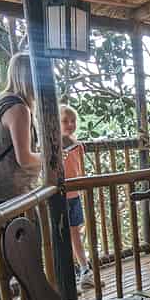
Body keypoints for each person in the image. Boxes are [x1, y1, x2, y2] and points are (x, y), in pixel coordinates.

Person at [0, 52, 42, 300]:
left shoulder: (1, 104)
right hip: (13, 193)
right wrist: (51, 158)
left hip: (1, 192)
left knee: (8, 255)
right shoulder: (18, 109)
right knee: (20, 253)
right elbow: (24, 158)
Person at [60, 106, 94, 289]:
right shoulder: (53, 146)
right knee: (63, 236)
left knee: (75, 234)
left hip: (74, 196)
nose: (70, 124)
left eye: (73, 121)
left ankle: (83, 270)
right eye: (65, 121)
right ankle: (72, 273)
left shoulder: (78, 145)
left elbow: (81, 169)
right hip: (60, 197)